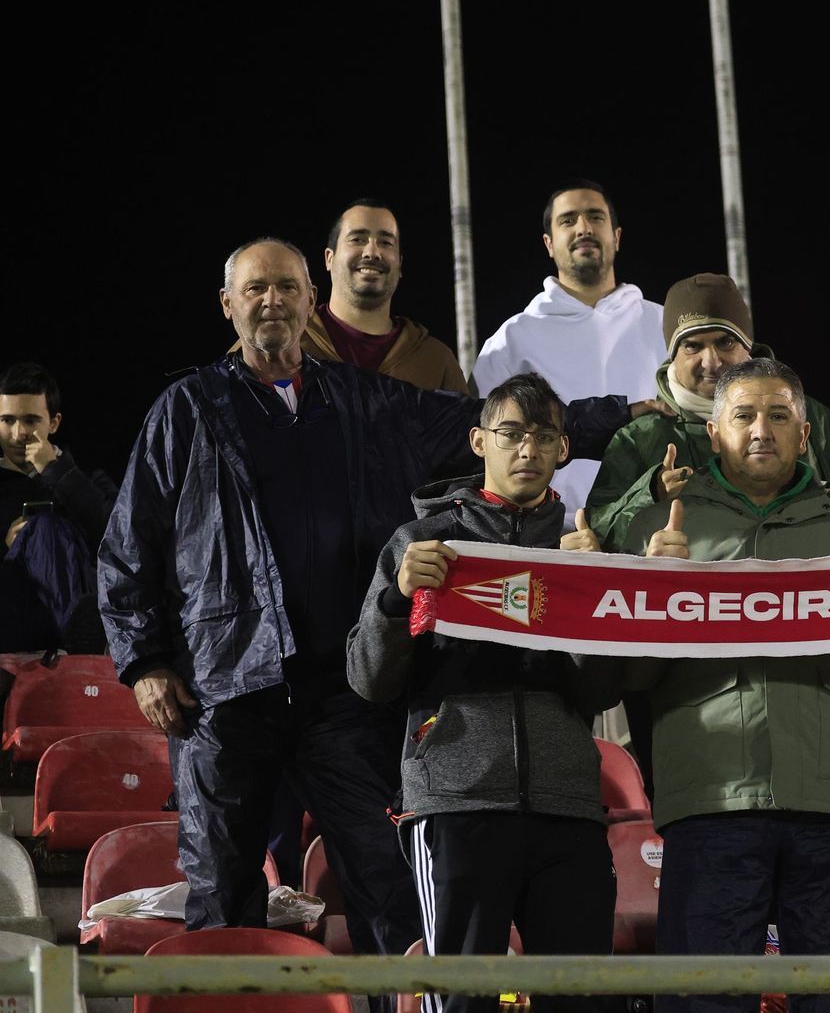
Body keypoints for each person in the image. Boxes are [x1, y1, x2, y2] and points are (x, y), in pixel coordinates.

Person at [97, 238, 487, 981]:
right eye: (255, 290)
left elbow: (488, 428)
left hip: (343, 694)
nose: (271, 301)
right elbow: (126, 550)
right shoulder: (186, 409)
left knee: (385, 881)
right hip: (223, 694)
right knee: (222, 891)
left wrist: (617, 416)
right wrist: (145, 663)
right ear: (228, 305)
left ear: (311, 300)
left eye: (286, 288)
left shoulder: (365, 401)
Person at [621, 357, 830, 1013]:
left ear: (804, 433)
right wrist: (653, 590)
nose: (761, 429)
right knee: (701, 1005)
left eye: (778, 416)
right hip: (710, 802)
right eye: (743, 415)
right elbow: (625, 676)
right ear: (715, 432)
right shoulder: (657, 529)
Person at [348, 372, 621, 1013]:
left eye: (544, 435)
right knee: (461, 1003)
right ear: (479, 442)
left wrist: (588, 594)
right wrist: (394, 600)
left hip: (568, 805)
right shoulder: (422, 544)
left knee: (583, 1002)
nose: (527, 449)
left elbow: (604, 689)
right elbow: (367, 679)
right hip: (455, 800)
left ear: (562, 449)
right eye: (511, 433)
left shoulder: (581, 547)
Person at [588, 272, 830, 549]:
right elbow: (596, 536)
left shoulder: (812, 419)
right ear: (673, 355)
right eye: (692, 346)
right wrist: (649, 493)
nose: (711, 361)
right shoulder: (639, 439)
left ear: (748, 346)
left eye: (725, 342)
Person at [473, 179, 665, 527]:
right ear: (549, 243)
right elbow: (490, 454)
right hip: (550, 536)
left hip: (655, 532)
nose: (584, 228)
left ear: (617, 236)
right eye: (568, 220)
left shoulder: (666, 326)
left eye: (595, 217)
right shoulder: (511, 340)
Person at [1, 362, 119, 651]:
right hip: (15, 617)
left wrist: (56, 471)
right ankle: (78, 641)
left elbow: (122, 538)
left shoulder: (86, 477)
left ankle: (80, 636)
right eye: (7, 420)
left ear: (53, 423)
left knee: (48, 528)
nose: (18, 435)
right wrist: (8, 547)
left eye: (30, 421)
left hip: (83, 607)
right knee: (41, 530)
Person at [303, 198, 469, 392]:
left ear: (399, 265)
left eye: (385, 242)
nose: (372, 252)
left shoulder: (435, 361)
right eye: (357, 239)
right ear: (329, 259)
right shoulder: (291, 343)